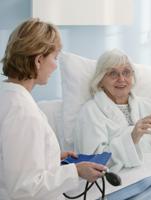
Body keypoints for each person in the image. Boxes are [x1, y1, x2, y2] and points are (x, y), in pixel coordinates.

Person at [0, 18, 107, 200]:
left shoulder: (8, 96)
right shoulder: (23, 112)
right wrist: (76, 171)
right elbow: (24, 190)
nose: (56, 66)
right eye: (55, 58)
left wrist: (50, 159)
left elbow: (11, 160)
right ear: (39, 60)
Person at [73, 49, 151, 173]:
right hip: (120, 178)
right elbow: (92, 162)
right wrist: (131, 139)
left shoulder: (148, 106)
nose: (121, 79)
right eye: (113, 74)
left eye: (126, 72)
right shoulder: (91, 111)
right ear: (101, 80)